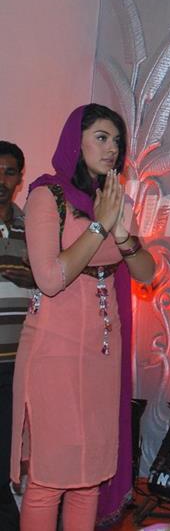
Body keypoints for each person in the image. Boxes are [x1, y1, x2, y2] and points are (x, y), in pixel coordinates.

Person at [11, 104, 155, 531]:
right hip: (54, 353)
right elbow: (51, 278)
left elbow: (148, 273)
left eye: (117, 141)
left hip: (100, 357)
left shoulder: (112, 200)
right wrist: (99, 227)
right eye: (101, 137)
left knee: (88, 479)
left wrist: (122, 232)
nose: (112, 148)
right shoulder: (46, 196)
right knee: (49, 480)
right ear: (77, 141)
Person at [0, 141, 33, 531]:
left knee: (11, 454)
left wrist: (30, 273)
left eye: (9, 172)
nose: (2, 180)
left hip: (21, 362)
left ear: (20, 178)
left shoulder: (33, 223)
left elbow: (45, 277)